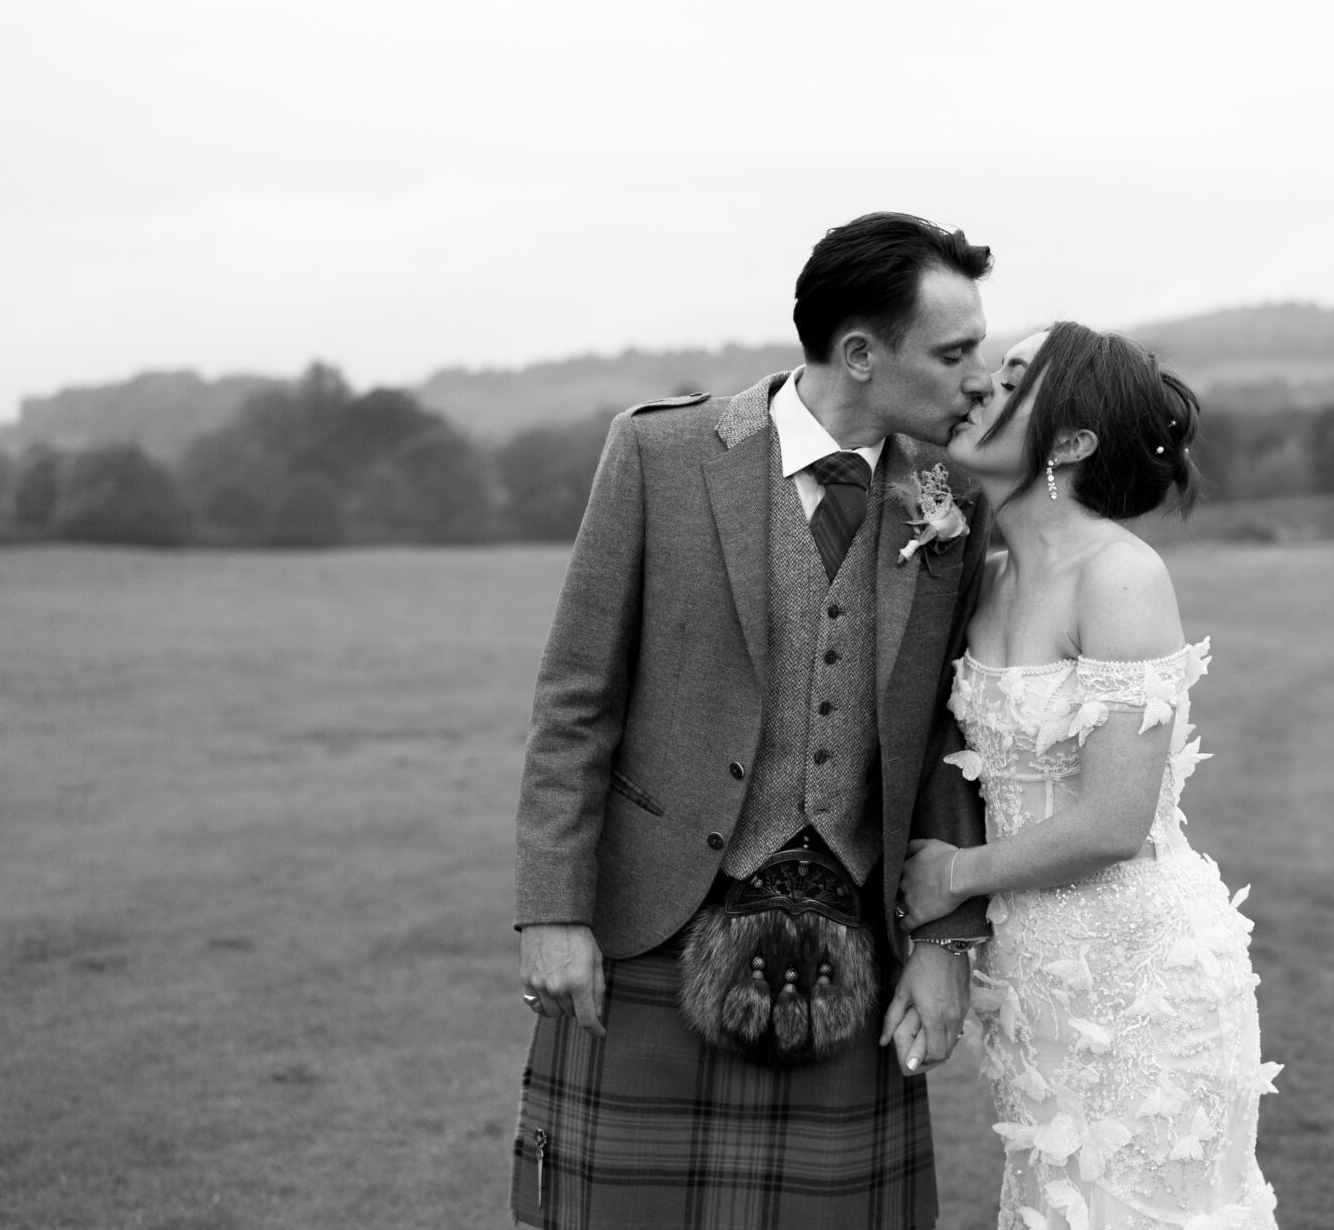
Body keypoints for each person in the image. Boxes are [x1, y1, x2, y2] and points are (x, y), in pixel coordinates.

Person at [511, 212, 997, 1230]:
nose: (978, 380)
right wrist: (553, 911)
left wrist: (946, 940)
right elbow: (574, 701)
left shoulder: (949, 494)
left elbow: (952, 739)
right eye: (954, 354)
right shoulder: (660, 452)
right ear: (860, 354)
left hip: (854, 935)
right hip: (655, 922)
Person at [899, 321, 1282, 1229]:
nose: (981, 385)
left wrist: (953, 876)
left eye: (1014, 379)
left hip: (1144, 978)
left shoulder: (1120, 575)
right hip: (1035, 984)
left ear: (1069, 443)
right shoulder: (985, 576)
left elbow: (1116, 818)